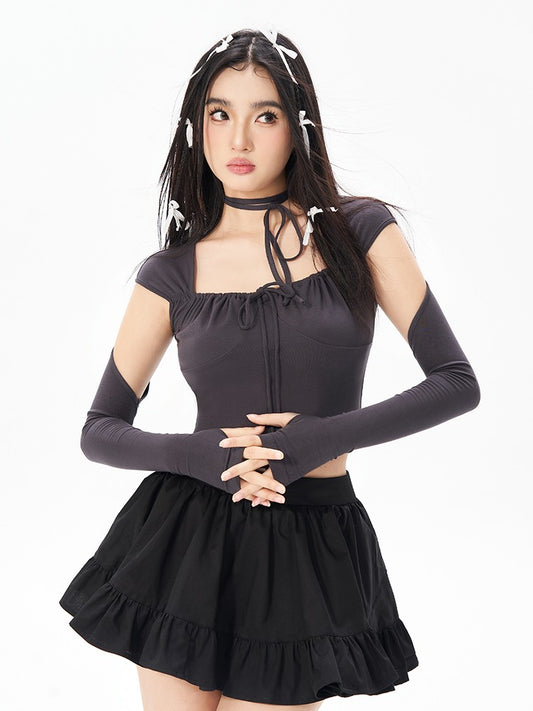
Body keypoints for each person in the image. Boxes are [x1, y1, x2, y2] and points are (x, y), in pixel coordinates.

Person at [59, 27, 481, 711]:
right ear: (196, 125)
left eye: (265, 116)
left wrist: (318, 439)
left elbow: (456, 382)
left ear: (298, 125)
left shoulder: (361, 232)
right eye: (219, 113)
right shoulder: (170, 272)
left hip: (310, 536)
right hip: (186, 535)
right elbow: (99, 429)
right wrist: (199, 454)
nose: (239, 140)